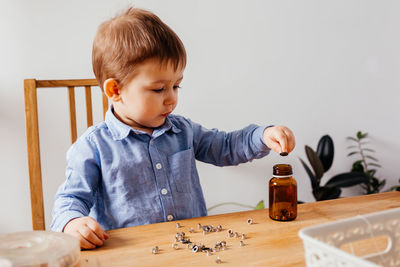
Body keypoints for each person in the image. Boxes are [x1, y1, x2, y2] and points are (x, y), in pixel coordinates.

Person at [51, 7, 296, 249]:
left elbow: (225, 146)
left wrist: (262, 136)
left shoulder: (184, 131)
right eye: (159, 89)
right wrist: (72, 223)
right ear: (115, 91)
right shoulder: (93, 146)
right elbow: (70, 198)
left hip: (193, 248)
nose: (171, 99)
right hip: (131, 256)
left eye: (176, 86)